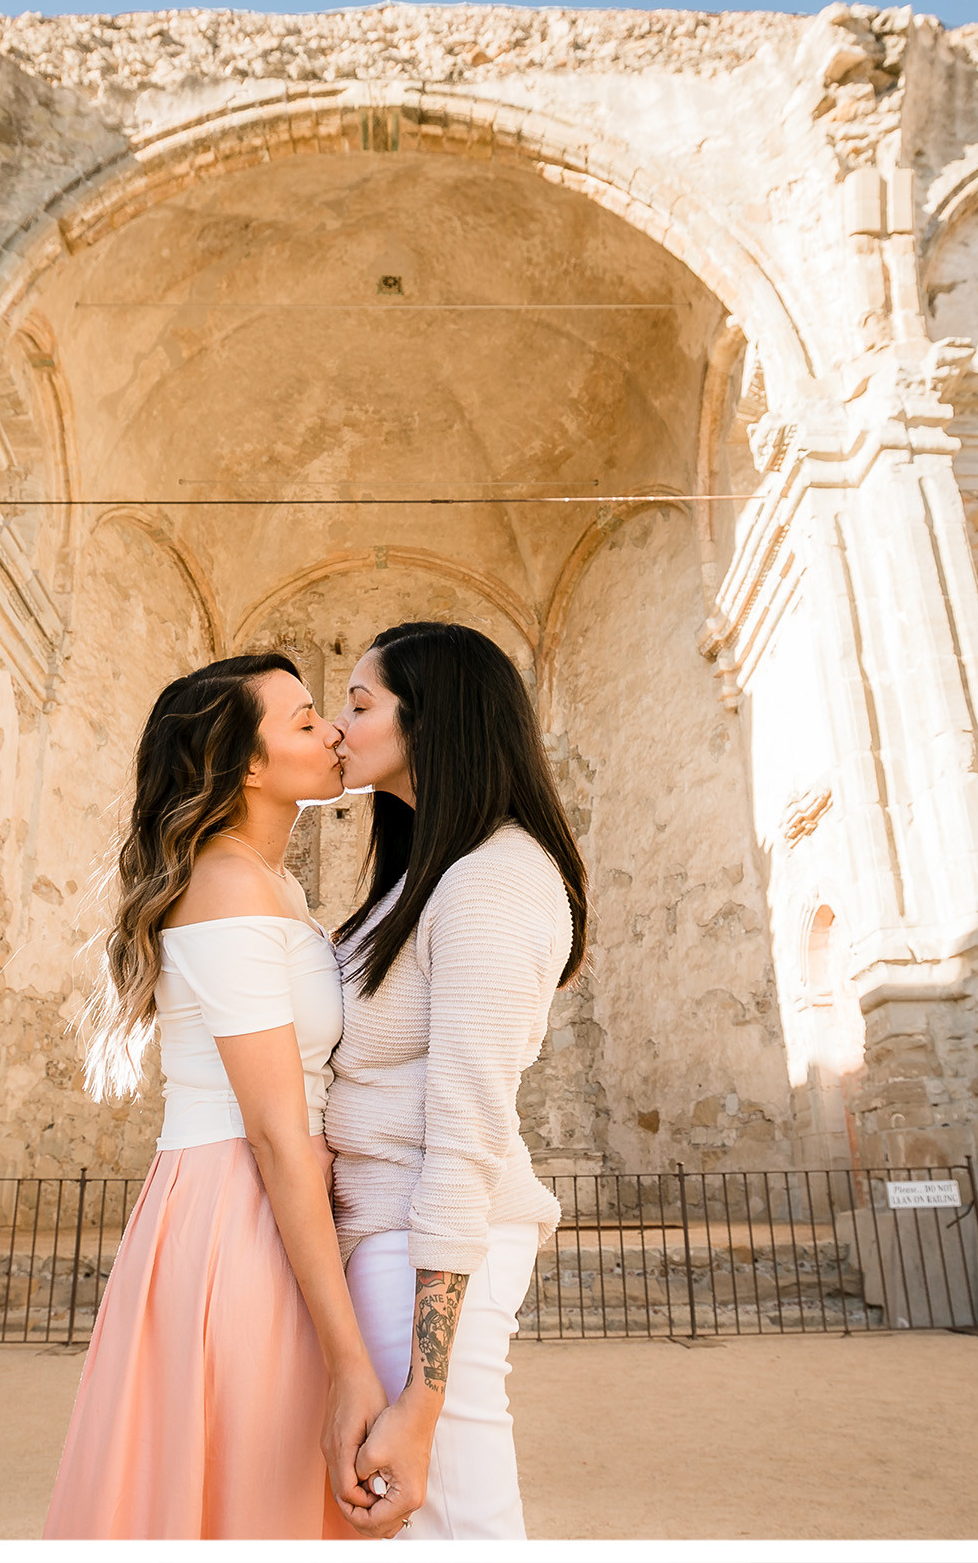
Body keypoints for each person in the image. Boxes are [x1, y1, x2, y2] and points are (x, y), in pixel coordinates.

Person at [44, 653, 387, 1539]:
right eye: (306, 719)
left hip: (273, 1199)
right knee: (257, 1476)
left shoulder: (271, 883)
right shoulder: (230, 883)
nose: (333, 732)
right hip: (244, 1208)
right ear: (248, 766)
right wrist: (351, 1358)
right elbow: (274, 1130)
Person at [325, 621, 590, 1540]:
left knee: (457, 1529)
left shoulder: (496, 879)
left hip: (426, 1242)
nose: (337, 725)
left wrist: (424, 1396)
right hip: (384, 1235)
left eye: (360, 704)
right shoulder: (424, 878)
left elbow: (469, 1126)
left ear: (430, 720)